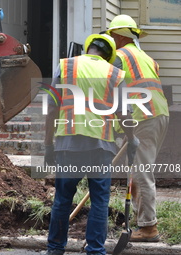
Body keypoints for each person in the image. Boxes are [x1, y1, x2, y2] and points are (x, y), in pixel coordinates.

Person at [42, 34, 139, 255]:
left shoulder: (65, 66)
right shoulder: (114, 74)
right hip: (100, 147)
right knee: (99, 202)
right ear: (109, 56)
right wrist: (132, 138)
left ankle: (55, 249)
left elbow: (51, 108)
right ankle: (95, 250)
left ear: (88, 49)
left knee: (62, 200)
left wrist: (48, 145)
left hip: (67, 144)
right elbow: (124, 113)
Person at [105, 14, 169, 242]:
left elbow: (113, 90)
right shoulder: (146, 57)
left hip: (144, 117)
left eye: (112, 35)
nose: (111, 40)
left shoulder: (120, 57)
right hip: (157, 114)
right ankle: (141, 221)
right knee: (137, 169)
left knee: (141, 171)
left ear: (118, 35)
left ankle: (149, 228)